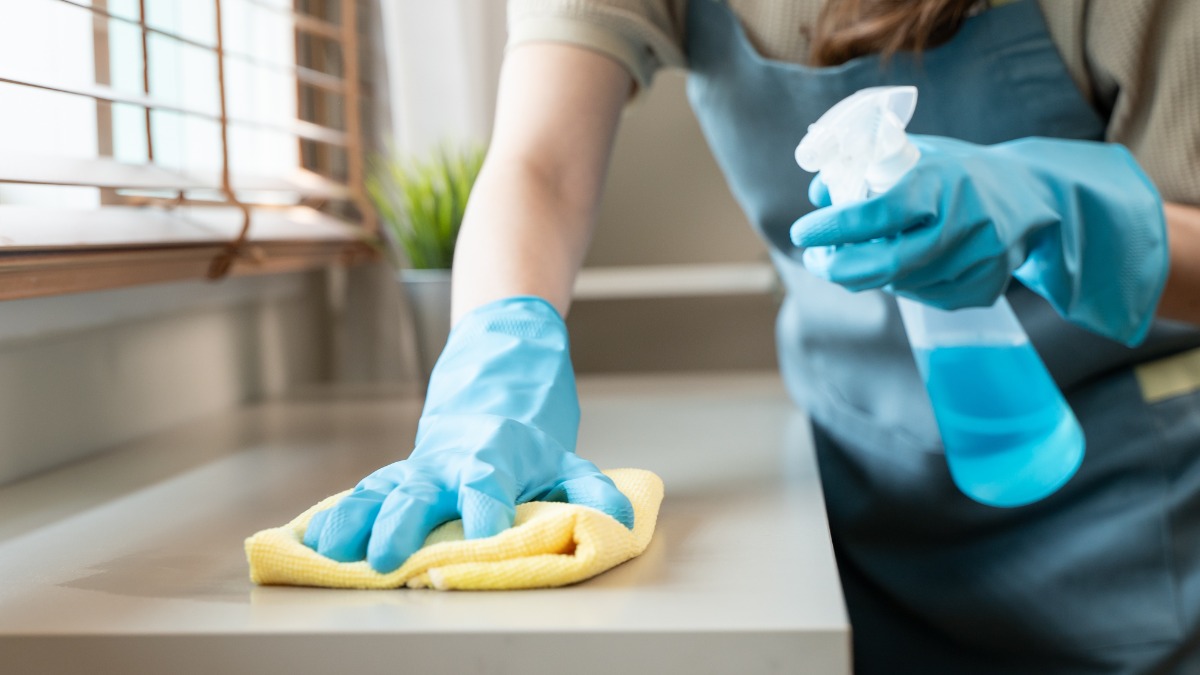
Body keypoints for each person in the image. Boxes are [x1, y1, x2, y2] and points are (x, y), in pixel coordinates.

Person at [305, 0, 1200, 671]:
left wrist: (1059, 210)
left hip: (1128, 519)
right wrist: (493, 361)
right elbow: (536, 160)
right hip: (857, 503)